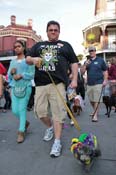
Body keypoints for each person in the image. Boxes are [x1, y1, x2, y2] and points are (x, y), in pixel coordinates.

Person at [26, 20, 78, 157]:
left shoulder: (65, 46)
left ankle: (57, 141)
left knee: (58, 114)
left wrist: (74, 80)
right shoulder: (38, 45)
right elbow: (27, 58)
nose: (53, 32)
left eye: (56, 30)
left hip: (58, 83)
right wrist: (32, 60)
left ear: (59, 32)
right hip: (41, 84)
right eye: (51, 30)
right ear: (47, 31)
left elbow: (74, 62)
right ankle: (50, 128)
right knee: (40, 111)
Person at [8, 40, 35, 143]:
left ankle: (21, 131)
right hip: (14, 88)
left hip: (26, 87)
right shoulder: (12, 62)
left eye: (19, 46)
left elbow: (31, 74)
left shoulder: (28, 60)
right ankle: (25, 123)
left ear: (23, 48)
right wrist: (11, 72)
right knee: (15, 110)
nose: (17, 48)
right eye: (15, 47)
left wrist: (21, 75)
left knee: (22, 109)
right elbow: (9, 76)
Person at [84, 46, 108, 122]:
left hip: (98, 82)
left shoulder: (100, 60)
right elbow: (82, 72)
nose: (91, 52)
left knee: (97, 99)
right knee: (91, 100)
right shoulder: (87, 61)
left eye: (93, 50)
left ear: (95, 51)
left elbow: (105, 71)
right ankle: (95, 111)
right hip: (89, 83)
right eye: (90, 51)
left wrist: (105, 80)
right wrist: (85, 65)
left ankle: (95, 115)